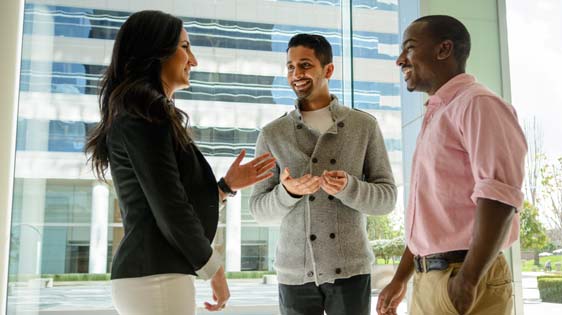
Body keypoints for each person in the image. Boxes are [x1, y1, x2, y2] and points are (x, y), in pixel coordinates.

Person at [84, 10, 275, 315]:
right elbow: (169, 206)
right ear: (155, 52)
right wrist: (214, 268)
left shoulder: (141, 114)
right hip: (155, 278)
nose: (193, 60)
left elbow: (168, 199)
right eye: (185, 47)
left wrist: (226, 187)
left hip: (152, 276)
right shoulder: (146, 116)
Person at [377, 15, 527, 315]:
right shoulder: (437, 114)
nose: (399, 60)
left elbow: (499, 195)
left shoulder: (478, 104)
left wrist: (468, 281)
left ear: (443, 49)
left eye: (409, 48)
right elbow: (429, 218)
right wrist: (401, 277)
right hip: (428, 279)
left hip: (463, 276)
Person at [250, 34, 397, 315]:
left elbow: (387, 199)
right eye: (290, 67)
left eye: (305, 65)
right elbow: (259, 210)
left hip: (351, 272)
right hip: (294, 275)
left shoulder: (363, 126)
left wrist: (349, 188)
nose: (296, 74)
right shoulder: (272, 134)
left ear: (328, 70)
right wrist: (288, 192)